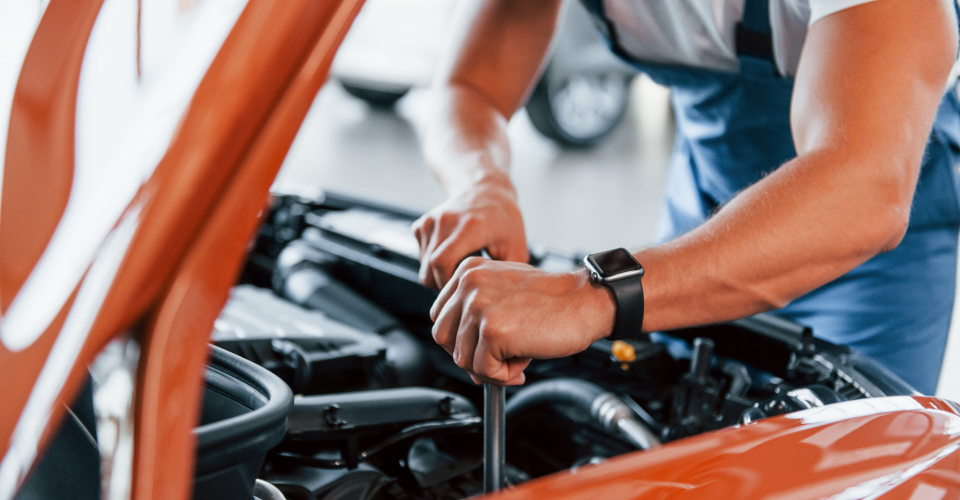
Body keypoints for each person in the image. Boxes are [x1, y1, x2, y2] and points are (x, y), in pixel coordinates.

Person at [413, 0, 960, 395]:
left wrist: (595, 296)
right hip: (706, 217)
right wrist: (481, 184)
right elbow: (469, 87)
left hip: (869, 255)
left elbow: (865, 187)